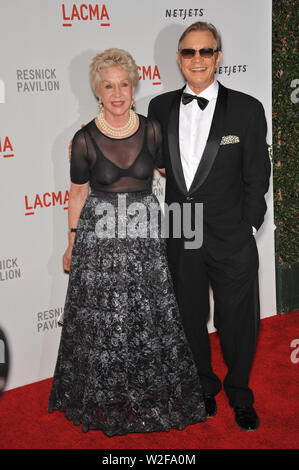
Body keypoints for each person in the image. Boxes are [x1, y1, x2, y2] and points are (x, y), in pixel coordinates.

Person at [48, 48, 206, 435]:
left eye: (123, 84)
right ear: (97, 92)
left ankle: (149, 392)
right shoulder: (84, 138)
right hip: (99, 243)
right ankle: (105, 396)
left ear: (133, 87)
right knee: (104, 324)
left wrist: (197, 221)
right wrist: (70, 243)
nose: (117, 93)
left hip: (145, 240)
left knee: (147, 318)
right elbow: (77, 194)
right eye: (108, 86)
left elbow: (179, 177)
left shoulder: (152, 129)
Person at [148, 22, 271, 431]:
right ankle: (203, 385)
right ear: (179, 58)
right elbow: (157, 163)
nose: (197, 59)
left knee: (238, 320)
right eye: (188, 52)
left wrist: (248, 226)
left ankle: (240, 393)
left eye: (205, 51)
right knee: (188, 313)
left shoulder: (248, 108)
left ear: (218, 56)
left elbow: (258, 174)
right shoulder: (160, 107)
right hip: (183, 226)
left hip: (231, 231)